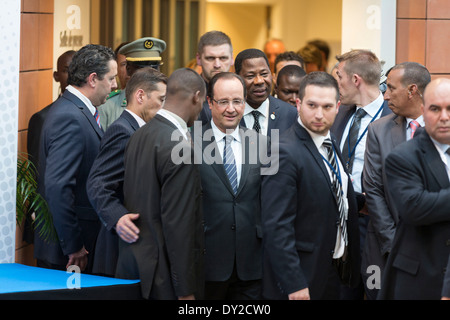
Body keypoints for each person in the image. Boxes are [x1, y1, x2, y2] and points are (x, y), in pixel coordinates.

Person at [261, 72, 361, 300]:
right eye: (311, 105)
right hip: (300, 278)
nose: (319, 114)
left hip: (332, 269)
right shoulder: (281, 151)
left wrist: (360, 201)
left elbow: (324, 188)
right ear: (298, 104)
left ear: (337, 107)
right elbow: (276, 225)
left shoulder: (329, 140)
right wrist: (293, 283)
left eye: (326, 107)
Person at [115, 68, 206, 300]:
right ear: (196, 96)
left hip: (134, 265)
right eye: (203, 101)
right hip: (164, 277)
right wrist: (185, 290)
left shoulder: (140, 133)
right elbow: (179, 224)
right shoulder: (180, 148)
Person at [35, 44, 117, 273]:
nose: (115, 85)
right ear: (93, 79)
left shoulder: (76, 110)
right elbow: (59, 187)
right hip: (69, 254)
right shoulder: (69, 117)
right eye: (111, 78)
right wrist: (74, 246)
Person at [86, 67, 168, 277]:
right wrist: (118, 218)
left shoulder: (142, 131)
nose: (164, 107)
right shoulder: (123, 131)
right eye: (161, 99)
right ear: (140, 95)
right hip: (119, 247)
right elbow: (98, 183)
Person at [362, 62, 431, 300]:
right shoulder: (378, 130)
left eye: (391, 88)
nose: (385, 95)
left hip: (433, 248)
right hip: (384, 247)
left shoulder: (441, 129)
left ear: (412, 90)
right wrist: (394, 242)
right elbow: (373, 189)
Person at [378, 78, 450, 300]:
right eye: (435, 109)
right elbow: (414, 208)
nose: (444, 117)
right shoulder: (403, 157)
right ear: (423, 110)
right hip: (421, 279)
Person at [197, 72, 267, 300]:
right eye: (223, 101)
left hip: (252, 265)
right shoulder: (189, 144)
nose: (231, 109)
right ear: (209, 102)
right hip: (208, 263)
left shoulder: (263, 144)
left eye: (237, 101)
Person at [331, 49, 391, 299]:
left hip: (373, 224)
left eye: (339, 78)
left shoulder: (393, 119)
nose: (336, 86)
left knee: (376, 289)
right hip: (340, 222)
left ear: (355, 80)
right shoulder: (339, 113)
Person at [98, 37, 166, 130]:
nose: (150, 74)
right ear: (129, 69)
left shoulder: (168, 105)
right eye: (143, 69)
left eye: (154, 68)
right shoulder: (107, 106)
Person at [27, 50, 76, 171]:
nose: (71, 76)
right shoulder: (42, 119)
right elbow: (37, 170)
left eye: (76, 71)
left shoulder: (96, 112)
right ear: (56, 76)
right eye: (66, 71)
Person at [234, 48, 297, 139]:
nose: (259, 81)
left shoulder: (289, 114)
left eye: (264, 74)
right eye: (250, 76)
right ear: (237, 78)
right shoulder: (228, 112)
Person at [196, 30, 234, 125]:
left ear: (232, 59)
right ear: (199, 59)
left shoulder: (243, 94)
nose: (217, 65)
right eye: (210, 58)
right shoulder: (189, 96)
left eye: (223, 58)